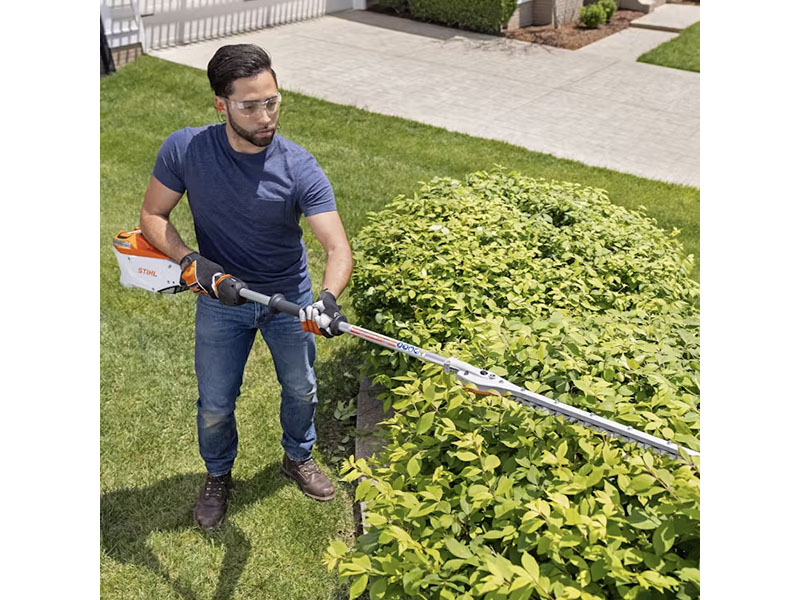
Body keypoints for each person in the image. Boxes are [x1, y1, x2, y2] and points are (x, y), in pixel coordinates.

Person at [139, 44, 353, 530]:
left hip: (288, 298)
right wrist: (194, 264)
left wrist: (326, 300)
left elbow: (337, 248)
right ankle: (218, 475)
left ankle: (297, 457)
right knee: (215, 402)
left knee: (301, 389)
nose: (266, 115)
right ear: (221, 105)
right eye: (250, 105)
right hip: (221, 298)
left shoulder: (298, 166)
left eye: (273, 101)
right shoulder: (186, 150)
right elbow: (152, 216)